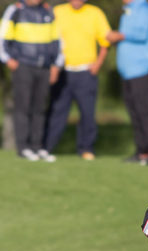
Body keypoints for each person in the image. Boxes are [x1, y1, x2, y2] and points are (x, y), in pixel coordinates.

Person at [44, 0, 111, 161]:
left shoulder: (95, 13)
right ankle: (46, 147)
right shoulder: (57, 11)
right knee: (57, 112)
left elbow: (105, 41)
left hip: (86, 72)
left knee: (87, 113)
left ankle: (86, 148)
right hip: (62, 72)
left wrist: (98, 64)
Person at [0, 0, 63, 162]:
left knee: (40, 108)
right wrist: (8, 59)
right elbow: (2, 37)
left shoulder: (49, 11)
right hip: (23, 66)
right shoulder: (16, 10)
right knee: (23, 107)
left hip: (44, 67)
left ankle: (37, 146)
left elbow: (58, 40)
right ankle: (23, 147)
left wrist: (56, 64)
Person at [106, 0, 148, 166]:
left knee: (143, 110)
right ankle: (142, 151)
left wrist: (119, 35)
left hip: (142, 69)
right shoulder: (128, 9)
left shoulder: (144, 8)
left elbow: (142, 34)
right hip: (128, 71)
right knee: (133, 111)